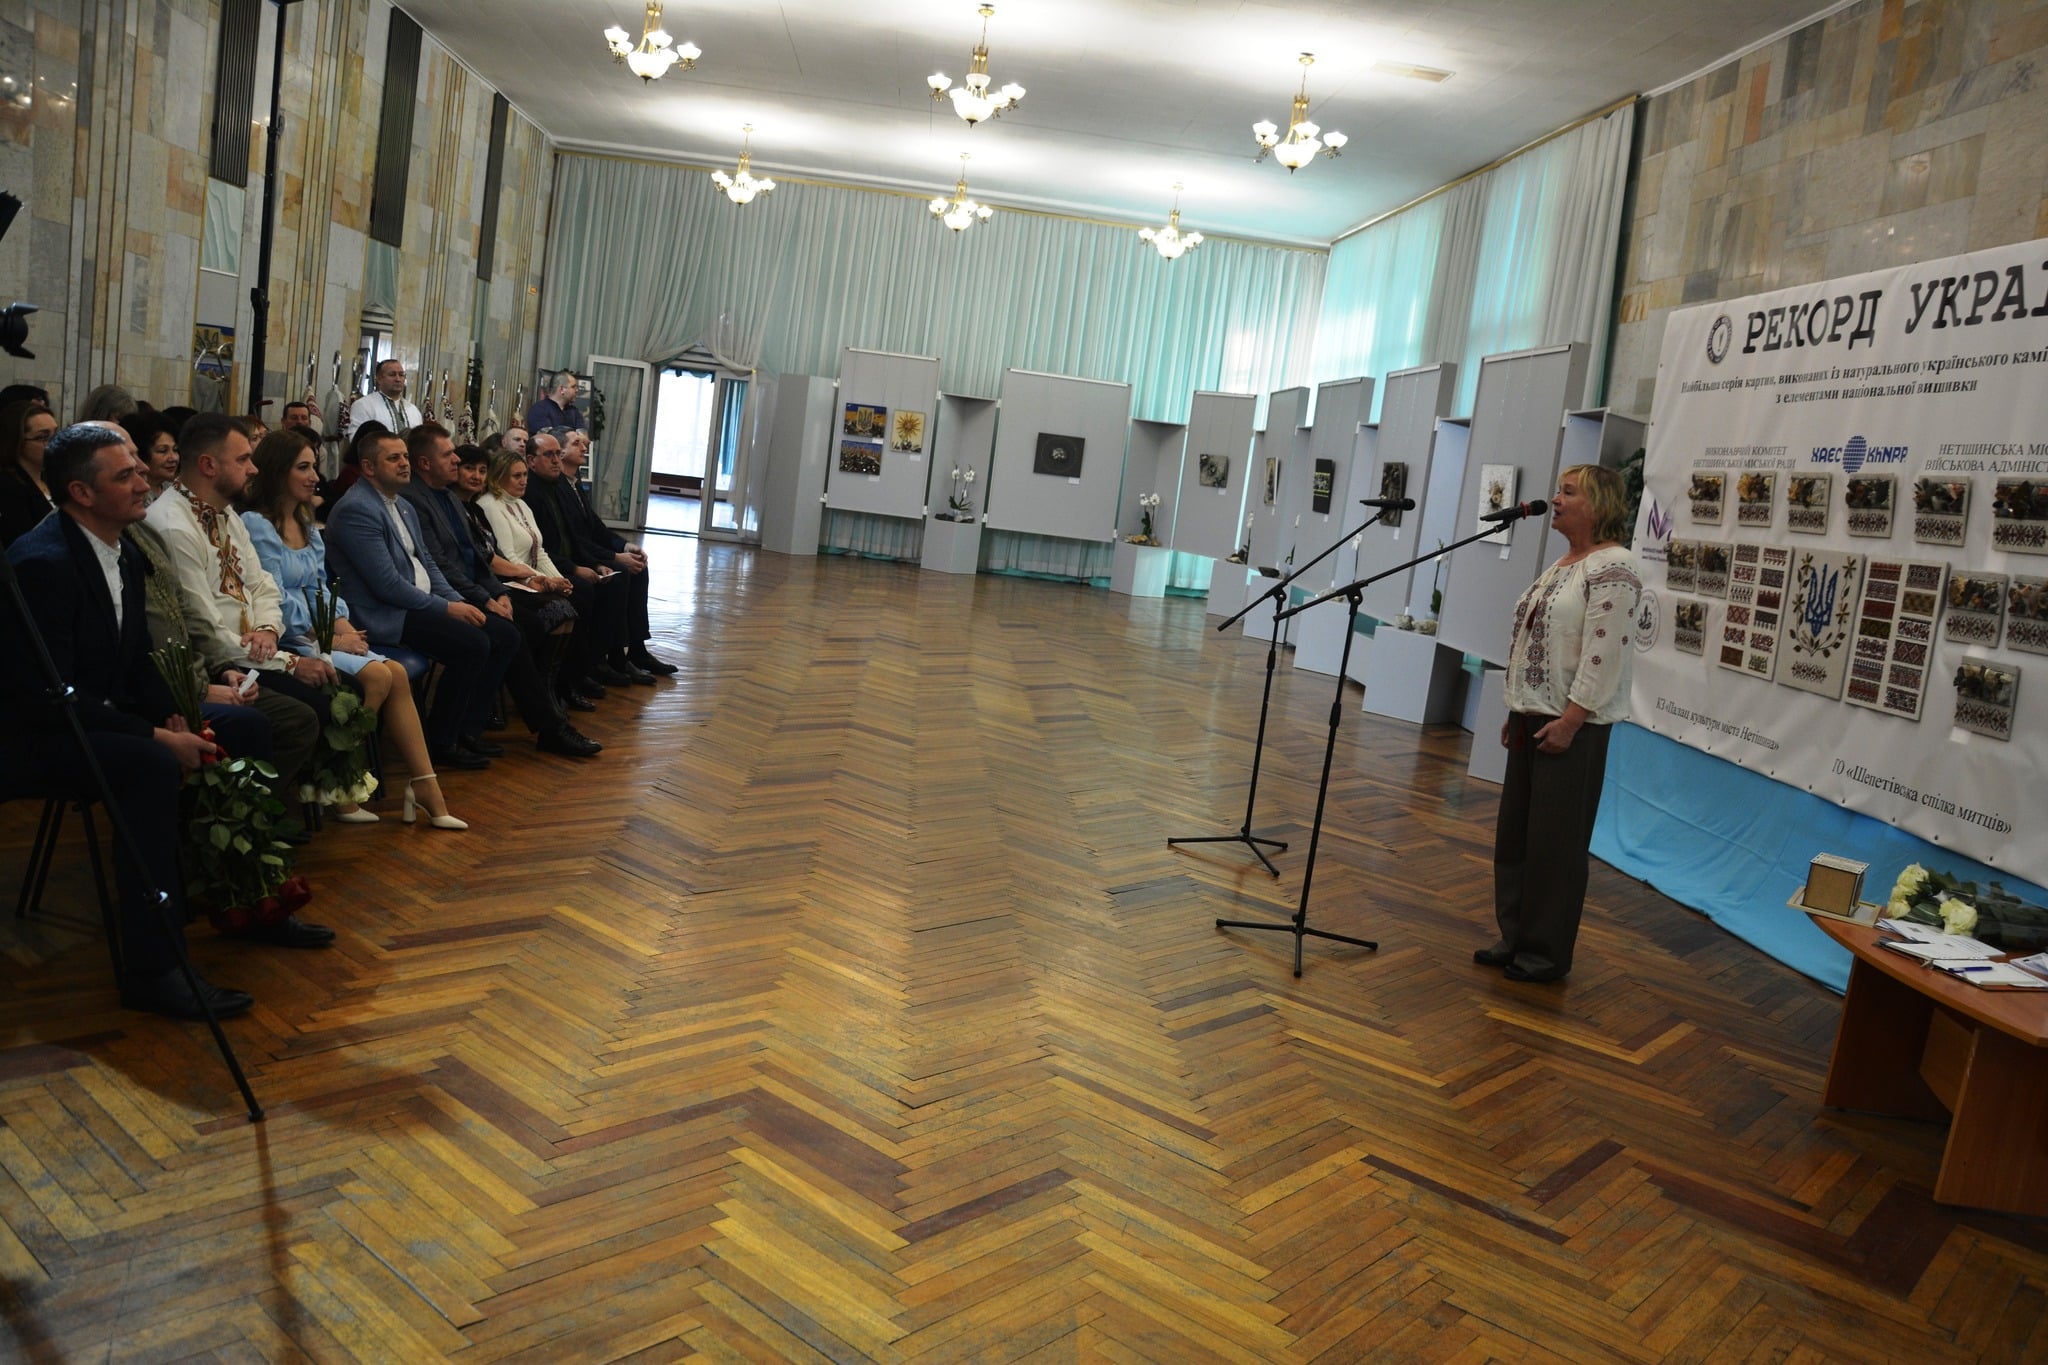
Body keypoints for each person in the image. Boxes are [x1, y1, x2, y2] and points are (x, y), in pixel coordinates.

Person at [2, 425, 267, 1019]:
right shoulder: (44, 563)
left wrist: (179, 707)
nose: (145, 481)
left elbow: (136, 661)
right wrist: (155, 735)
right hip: (38, 733)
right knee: (149, 766)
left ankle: (247, 900)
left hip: (101, 715)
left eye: (138, 470)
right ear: (81, 492)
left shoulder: (122, 549)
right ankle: (154, 969)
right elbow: (47, 694)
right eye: (125, 475)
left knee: (244, 729)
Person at [242, 429, 469, 827]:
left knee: (395, 673)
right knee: (380, 676)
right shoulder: (257, 525)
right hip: (287, 636)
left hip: (319, 630)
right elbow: (274, 600)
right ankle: (338, 781)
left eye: (314, 466)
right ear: (278, 472)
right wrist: (332, 636)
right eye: (304, 468)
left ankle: (425, 787)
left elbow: (323, 589)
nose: (315, 477)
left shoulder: (305, 523)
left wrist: (345, 629)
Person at [1479, 464, 1642, 984]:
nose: (1556, 499)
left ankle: (1544, 954)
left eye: (1568, 492)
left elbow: (1603, 653)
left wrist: (1572, 719)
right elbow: (1534, 642)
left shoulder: (1614, 566)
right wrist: (1517, 708)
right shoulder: (1564, 564)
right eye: (1559, 491)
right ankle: (1514, 936)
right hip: (1533, 718)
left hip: (1573, 727)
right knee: (1517, 837)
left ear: (1598, 504)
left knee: (1556, 844)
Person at [141, 413, 337, 826]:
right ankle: (237, 823)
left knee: (322, 698)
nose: (254, 469)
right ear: (209, 465)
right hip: (217, 659)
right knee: (301, 715)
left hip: (251, 651)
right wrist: (289, 662)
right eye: (244, 459)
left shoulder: (225, 513)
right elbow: (204, 627)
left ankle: (252, 818)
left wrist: (267, 629)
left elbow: (263, 585)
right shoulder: (173, 524)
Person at [398, 424, 598, 757]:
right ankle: (536, 726)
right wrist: (485, 597)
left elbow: (478, 557)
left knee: (516, 629)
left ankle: (472, 729)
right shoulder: (415, 500)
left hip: (477, 588)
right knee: (508, 633)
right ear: (425, 463)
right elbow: (440, 565)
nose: (456, 461)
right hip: (446, 595)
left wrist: (497, 593)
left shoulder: (448, 497)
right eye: (449, 455)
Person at [322, 428, 515, 769]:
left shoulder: (404, 505)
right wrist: (447, 608)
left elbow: (429, 565)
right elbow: (387, 586)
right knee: (473, 644)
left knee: (504, 634)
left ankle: (468, 730)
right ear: (368, 467)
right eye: (393, 458)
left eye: (404, 457)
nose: (404, 464)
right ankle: (442, 740)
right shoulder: (356, 509)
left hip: (417, 602)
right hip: (383, 614)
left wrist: (457, 601)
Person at [476, 446, 605, 718]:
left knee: (574, 600)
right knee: (561, 610)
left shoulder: (520, 504)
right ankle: (547, 688)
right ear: (499, 477)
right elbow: (508, 556)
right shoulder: (490, 505)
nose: (524, 481)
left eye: (524, 475)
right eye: (517, 476)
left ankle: (559, 683)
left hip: (532, 578)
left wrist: (559, 579)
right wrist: (544, 581)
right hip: (510, 581)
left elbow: (540, 551)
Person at [558, 429, 675, 677]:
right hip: (576, 557)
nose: (584, 448)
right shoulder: (558, 486)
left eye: (583, 443)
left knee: (638, 567)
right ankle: (609, 656)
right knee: (621, 572)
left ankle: (637, 648)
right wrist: (613, 558)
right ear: (561, 452)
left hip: (587, 551)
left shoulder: (574, 483)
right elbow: (576, 539)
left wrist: (624, 546)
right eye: (576, 443)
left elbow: (595, 527)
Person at [0, 399, 60, 545]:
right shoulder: (8, 487)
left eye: (57, 434)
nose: (56, 442)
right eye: (43, 437)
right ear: (18, 442)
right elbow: (21, 542)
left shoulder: (54, 477)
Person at [120, 408, 181, 502]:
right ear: (140, 454)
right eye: (162, 451)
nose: (173, 458)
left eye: (175, 450)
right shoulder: (133, 497)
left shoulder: (175, 490)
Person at [347, 359, 421, 436]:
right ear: (379, 379)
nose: (398, 379)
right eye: (392, 375)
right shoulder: (364, 405)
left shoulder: (414, 410)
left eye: (401, 375)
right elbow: (357, 439)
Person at [524, 370, 584, 437]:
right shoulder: (539, 409)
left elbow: (584, 437)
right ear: (562, 389)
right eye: (573, 387)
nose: (577, 390)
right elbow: (549, 438)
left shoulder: (575, 412)